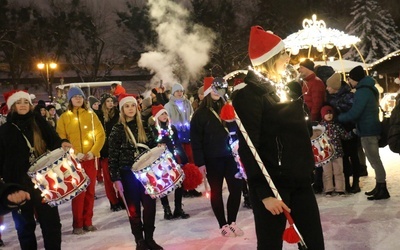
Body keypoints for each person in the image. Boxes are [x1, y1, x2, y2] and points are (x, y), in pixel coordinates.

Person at [232, 26, 324, 249]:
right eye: (284, 53)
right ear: (270, 58)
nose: (289, 57)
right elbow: (248, 147)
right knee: (270, 245)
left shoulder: (286, 88)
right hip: (273, 184)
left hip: (299, 178)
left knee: (313, 244)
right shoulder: (249, 94)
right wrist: (263, 193)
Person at [0, 90, 72, 249]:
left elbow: (54, 139)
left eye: (26, 102)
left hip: (44, 181)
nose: (23, 105)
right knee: (24, 226)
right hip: (18, 184)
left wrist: (63, 143)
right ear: (12, 106)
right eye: (19, 102)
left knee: (51, 223)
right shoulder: (5, 130)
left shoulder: (38, 122)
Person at [108, 94, 163, 250]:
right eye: (127, 106)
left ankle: (150, 238)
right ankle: (139, 240)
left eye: (132, 105)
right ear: (122, 109)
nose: (130, 109)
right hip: (127, 174)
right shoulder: (117, 130)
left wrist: (159, 148)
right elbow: (112, 156)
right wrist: (115, 179)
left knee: (150, 206)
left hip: (146, 174)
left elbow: (152, 146)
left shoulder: (144, 125)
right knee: (133, 209)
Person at [191, 77, 243, 237]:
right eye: (213, 88)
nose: (216, 92)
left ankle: (232, 221)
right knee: (216, 191)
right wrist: (200, 162)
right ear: (207, 91)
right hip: (212, 158)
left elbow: (237, 130)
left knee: (236, 189)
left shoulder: (228, 107)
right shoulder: (200, 114)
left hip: (231, 156)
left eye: (219, 88)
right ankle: (223, 224)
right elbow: (196, 140)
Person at [56, 87, 106, 234]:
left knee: (90, 191)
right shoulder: (65, 117)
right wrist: (74, 153)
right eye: (75, 96)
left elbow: (101, 135)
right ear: (70, 100)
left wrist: (93, 152)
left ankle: (88, 221)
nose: (78, 99)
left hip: (90, 159)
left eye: (80, 96)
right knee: (78, 193)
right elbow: (61, 138)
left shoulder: (91, 116)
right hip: (74, 161)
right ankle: (77, 224)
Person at [338, 65, 390, 200]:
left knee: (375, 160)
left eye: (350, 78)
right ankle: (379, 186)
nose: (349, 81)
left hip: (368, 130)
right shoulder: (370, 88)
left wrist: (340, 118)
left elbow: (356, 112)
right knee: (374, 160)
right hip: (370, 127)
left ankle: (382, 188)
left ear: (356, 79)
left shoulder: (362, 92)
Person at [150, 104, 190, 220]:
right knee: (163, 185)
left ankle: (178, 208)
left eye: (165, 113)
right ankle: (166, 209)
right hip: (160, 162)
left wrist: (184, 159)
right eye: (161, 114)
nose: (164, 116)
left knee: (179, 183)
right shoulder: (153, 130)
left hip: (173, 159)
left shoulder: (172, 128)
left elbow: (177, 143)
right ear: (156, 116)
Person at [326, 73, 362, 193]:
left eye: (329, 86)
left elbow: (355, 112)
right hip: (339, 130)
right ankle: (345, 182)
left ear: (335, 87)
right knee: (344, 157)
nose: (327, 88)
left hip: (350, 129)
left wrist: (341, 117)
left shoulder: (349, 96)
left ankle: (356, 182)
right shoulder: (331, 97)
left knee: (353, 155)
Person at [165, 83, 201, 198]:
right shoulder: (168, 106)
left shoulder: (187, 103)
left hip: (188, 135)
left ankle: (192, 186)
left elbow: (192, 116)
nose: (179, 93)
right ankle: (183, 187)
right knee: (181, 162)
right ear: (173, 93)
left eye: (181, 91)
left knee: (191, 161)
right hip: (177, 139)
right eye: (177, 91)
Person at [96, 93, 124, 211]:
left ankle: (122, 199)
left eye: (112, 101)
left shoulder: (118, 114)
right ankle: (113, 201)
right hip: (105, 151)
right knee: (108, 179)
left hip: (118, 150)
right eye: (108, 101)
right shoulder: (98, 116)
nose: (110, 103)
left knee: (120, 177)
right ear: (103, 103)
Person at [319, 105, 352, 196]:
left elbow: (344, 136)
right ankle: (328, 189)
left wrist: (352, 133)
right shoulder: (320, 127)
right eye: (326, 113)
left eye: (330, 113)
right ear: (323, 115)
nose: (329, 115)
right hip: (325, 154)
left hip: (337, 153)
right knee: (327, 172)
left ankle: (340, 189)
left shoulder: (337, 126)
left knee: (338, 171)